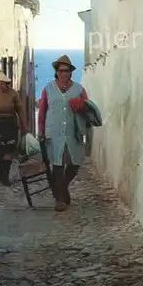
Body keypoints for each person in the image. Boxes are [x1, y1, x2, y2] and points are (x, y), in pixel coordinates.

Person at [37, 54, 89, 212]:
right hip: (54, 131)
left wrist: (81, 107)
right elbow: (42, 111)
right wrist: (40, 131)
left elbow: (87, 110)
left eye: (66, 70)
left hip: (74, 132)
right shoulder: (48, 88)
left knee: (74, 164)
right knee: (57, 164)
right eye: (60, 70)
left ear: (71, 72)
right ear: (56, 72)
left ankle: (62, 187)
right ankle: (60, 199)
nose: (63, 73)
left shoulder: (79, 89)